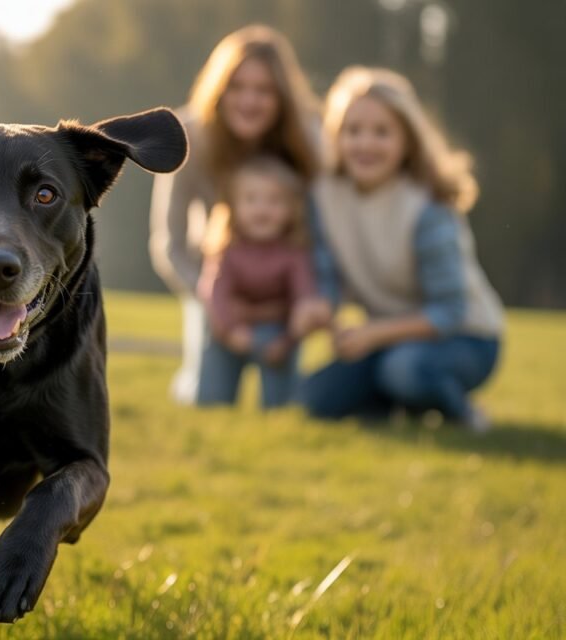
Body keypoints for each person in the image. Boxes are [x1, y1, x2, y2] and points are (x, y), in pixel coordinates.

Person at [303, 67, 504, 431]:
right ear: (335, 135)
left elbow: (449, 311)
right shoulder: (324, 194)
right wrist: (321, 308)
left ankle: (463, 414)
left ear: (407, 139)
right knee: (316, 399)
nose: (365, 144)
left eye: (382, 132)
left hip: (465, 338)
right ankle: (399, 407)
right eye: (353, 131)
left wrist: (371, 334)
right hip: (385, 339)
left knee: (404, 370)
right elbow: (328, 274)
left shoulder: (427, 206)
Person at [149, 24, 321, 405]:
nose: (249, 100)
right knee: (204, 394)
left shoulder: (306, 139)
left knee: (285, 398)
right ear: (218, 88)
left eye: (264, 90)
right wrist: (211, 298)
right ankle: (193, 377)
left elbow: (321, 232)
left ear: (282, 97)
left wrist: (305, 299)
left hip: (283, 287)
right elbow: (169, 242)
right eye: (237, 87)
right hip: (214, 278)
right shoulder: (188, 135)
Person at [197, 156, 330, 408]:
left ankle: (277, 405)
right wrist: (231, 330)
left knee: (279, 396)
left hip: (276, 333)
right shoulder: (227, 249)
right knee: (212, 393)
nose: (262, 209)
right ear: (233, 207)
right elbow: (216, 295)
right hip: (231, 330)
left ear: (292, 209)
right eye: (251, 200)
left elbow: (303, 300)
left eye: (275, 201)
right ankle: (213, 401)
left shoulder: (295, 252)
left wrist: (288, 340)